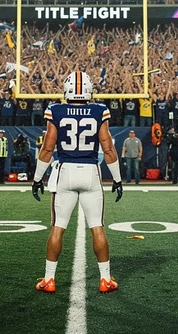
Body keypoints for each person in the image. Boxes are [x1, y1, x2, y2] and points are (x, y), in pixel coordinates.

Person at [31, 70, 123, 294]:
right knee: (97, 227)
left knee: (58, 227)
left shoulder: (56, 110)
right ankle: (104, 279)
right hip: (91, 172)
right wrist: (118, 179)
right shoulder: (99, 110)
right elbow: (108, 148)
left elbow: (48, 147)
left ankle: (49, 279)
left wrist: (36, 178)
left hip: (65, 171)